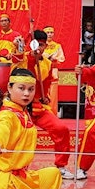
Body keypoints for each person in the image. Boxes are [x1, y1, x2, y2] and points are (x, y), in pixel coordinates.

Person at [25, 30, 73, 179]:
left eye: (41, 45)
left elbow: (45, 84)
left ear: (46, 46)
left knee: (62, 129)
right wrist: (32, 59)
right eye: (35, 45)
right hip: (20, 109)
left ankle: (61, 166)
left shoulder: (47, 63)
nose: (38, 48)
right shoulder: (22, 59)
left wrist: (45, 97)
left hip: (38, 108)